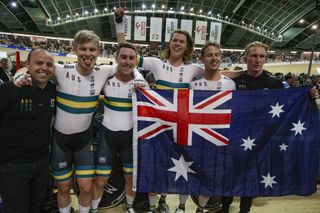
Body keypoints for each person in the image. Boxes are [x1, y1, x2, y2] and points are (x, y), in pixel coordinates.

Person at [14, 30, 144, 213]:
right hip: (60, 141)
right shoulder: (59, 70)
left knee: (86, 187)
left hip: (83, 141)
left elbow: (129, 65)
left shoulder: (104, 71)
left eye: (92, 49)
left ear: (99, 51)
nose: (88, 54)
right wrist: (19, 73)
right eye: (83, 49)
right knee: (64, 188)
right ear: (75, 49)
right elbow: (32, 67)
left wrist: (139, 78)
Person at [91, 42, 149, 213]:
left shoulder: (141, 84)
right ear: (116, 58)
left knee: (130, 178)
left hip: (130, 139)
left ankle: (130, 207)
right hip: (107, 137)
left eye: (131, 58)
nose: (127, 61)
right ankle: (93, 210)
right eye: (123, 57)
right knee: (100, 180)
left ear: (136, 62)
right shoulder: (106, 79)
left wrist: (139, 76)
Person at [0, 48, 55, 213]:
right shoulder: (9, 90)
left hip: (42, 163)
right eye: (39, 63)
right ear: (27, 65)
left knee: (36, 207)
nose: (44, 68)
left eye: (49, 64)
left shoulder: (53, 89)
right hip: (13, 166)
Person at [186, 42, 236, 213]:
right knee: (191, 174)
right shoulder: (193, 85)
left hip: (220, 140)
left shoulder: (230, 84)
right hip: (197, 138)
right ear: (202, 59)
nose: (214, 58)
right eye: (209, 55)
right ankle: (182, 205)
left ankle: (200, 209)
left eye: (217, 54)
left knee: (210, 178)